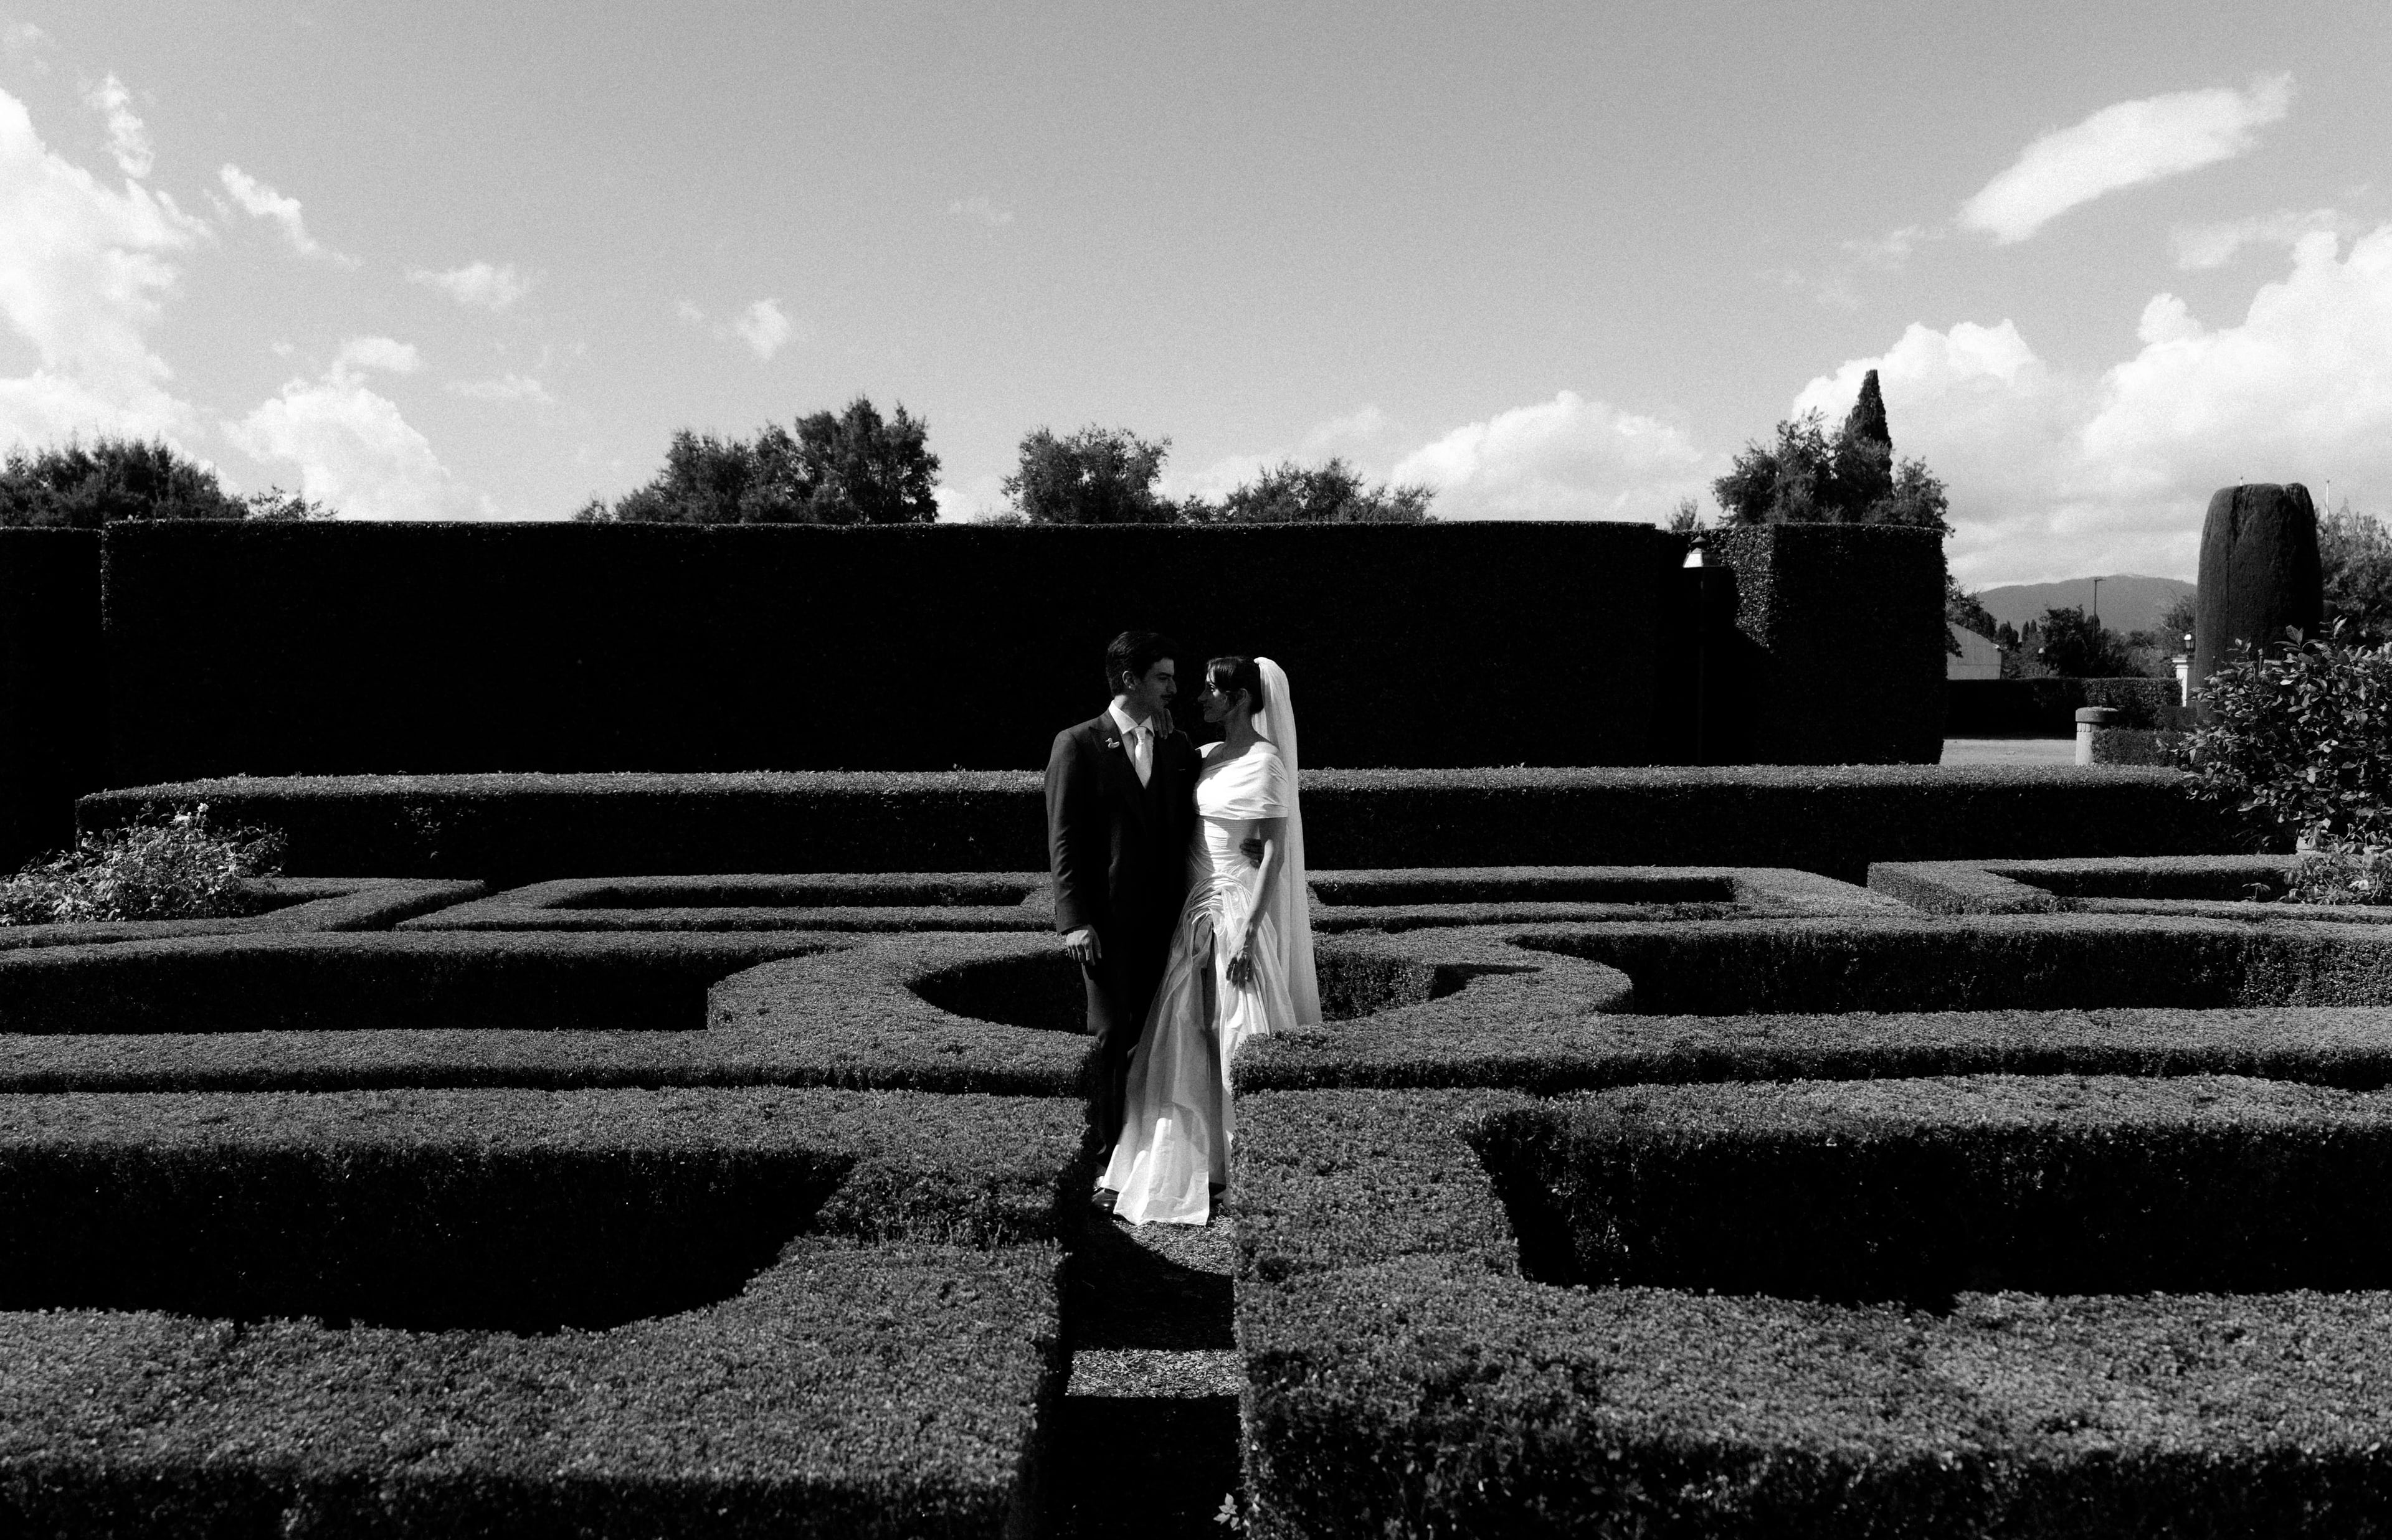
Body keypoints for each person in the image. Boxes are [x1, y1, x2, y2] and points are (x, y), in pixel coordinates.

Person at [1100, 655, 1319, 1226]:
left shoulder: (1267, 763)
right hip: (1194, 909)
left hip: (1237, 911)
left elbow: (1271, 852)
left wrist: (1248, 930)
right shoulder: (1203, 755)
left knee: (1238, 1029)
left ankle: (1251, 1163)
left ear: (1240, 698)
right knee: (1187, 1031)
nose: (1199, 698)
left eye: (1211, 690)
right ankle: (1198, 1162)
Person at [1046, 631, 1203, 1160]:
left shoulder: (1177, 746)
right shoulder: (1077, 743)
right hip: (1105, 928)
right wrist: (1073, 920)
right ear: (1129, 680)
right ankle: (1106, 1154)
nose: (1174, 688)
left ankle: (1151, 1153)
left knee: (1161, 1036)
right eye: (1164, 677)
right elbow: (1063, 839)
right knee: (1109, 1036)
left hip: (1168, 923)